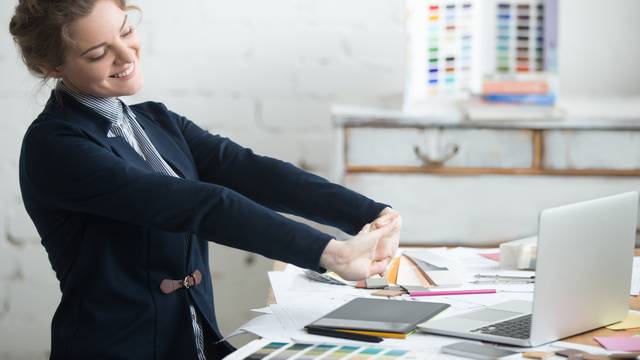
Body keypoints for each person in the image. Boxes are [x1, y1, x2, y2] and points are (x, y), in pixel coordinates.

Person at [9, 0, 402, 359]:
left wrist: (370, 213)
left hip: (194, 342)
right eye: (98, 53)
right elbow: (196, 203)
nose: (126, 55)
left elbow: (250, 170)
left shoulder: (155, 121)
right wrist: (332, 254)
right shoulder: (55, 146)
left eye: (126, 32)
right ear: (52, 67)